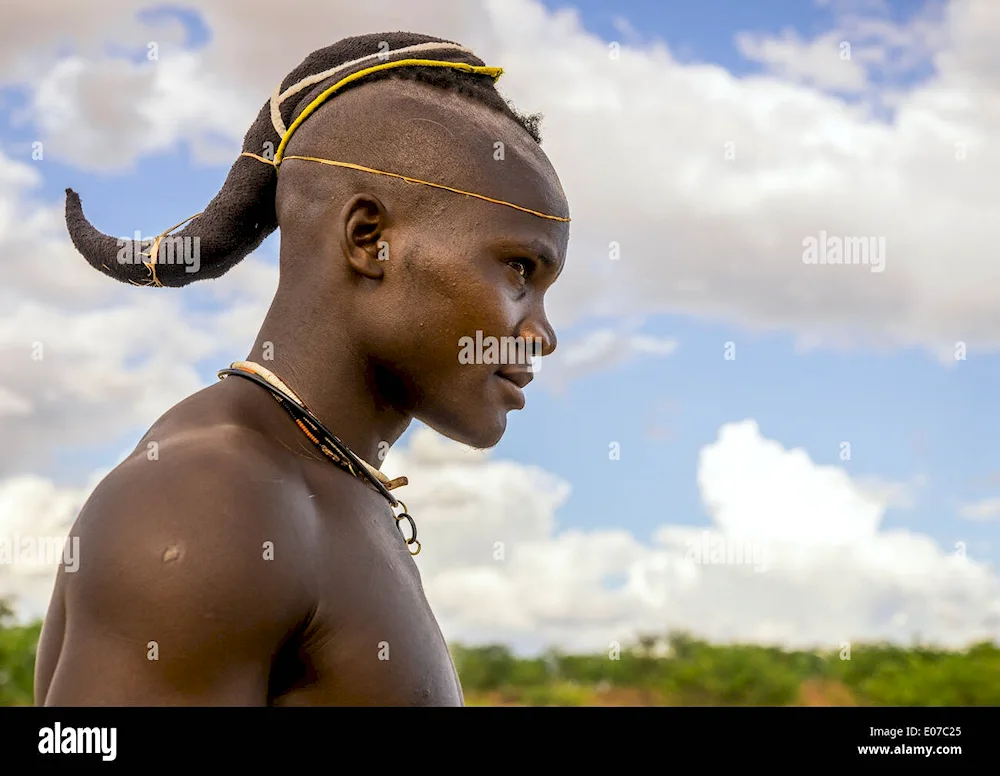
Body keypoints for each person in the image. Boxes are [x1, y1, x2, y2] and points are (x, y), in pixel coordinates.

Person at [34, 31, 570, 706]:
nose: (542, 335)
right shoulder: (212, 500)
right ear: (370, 239)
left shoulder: (325, 486)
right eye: (520, 269)